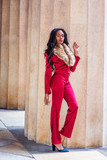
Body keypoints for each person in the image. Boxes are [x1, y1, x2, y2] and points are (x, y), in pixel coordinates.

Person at [44, 28, 80, 152]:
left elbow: (72, 68)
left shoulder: (67, 50)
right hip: (57, 81)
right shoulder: (51, 52)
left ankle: (61, 136)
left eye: (63, 36)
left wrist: (75, 53)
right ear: (54, 37)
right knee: (56, 111)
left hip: (66, 81)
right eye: (58, 35)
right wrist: (46, 93)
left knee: (74, 107)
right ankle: (56, 141)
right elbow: (48, 73)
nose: (61, 37)